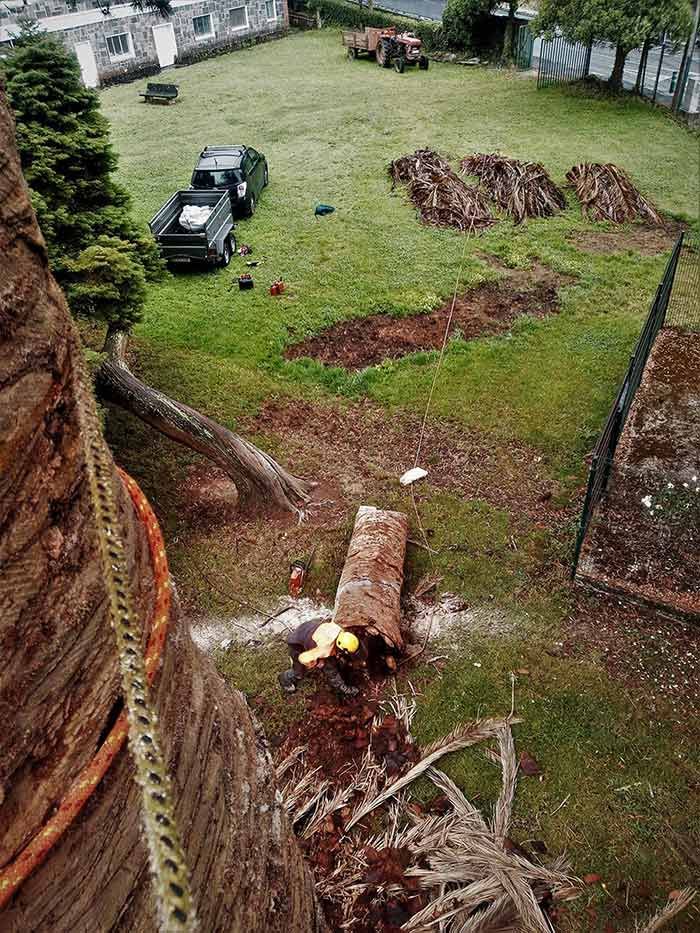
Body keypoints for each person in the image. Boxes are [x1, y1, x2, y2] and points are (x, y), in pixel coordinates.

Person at [278, 618, 361, 697]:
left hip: (310, 628)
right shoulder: (324, 650)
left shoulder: (341, 633)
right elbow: (332, 674)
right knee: (299, 672)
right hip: (296, 643)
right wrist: (344, 688)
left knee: (332, 661)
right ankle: (285, 678)